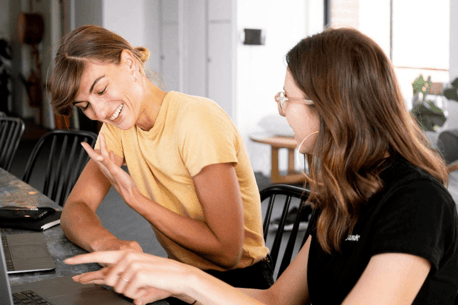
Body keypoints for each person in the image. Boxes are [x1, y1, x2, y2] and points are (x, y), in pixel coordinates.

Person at [65, 27, 458, 305]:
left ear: (331, 109)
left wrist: (182, 276)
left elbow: (229, 254)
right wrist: (170, 284)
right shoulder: (344, 194)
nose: (282, 111)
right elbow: (275, 300)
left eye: (287, 98)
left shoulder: (417, 201)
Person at [48, 25, 274, 303]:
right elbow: (75, 209)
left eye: (102, 90)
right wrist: (112, 245)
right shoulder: (117, 127)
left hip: (239, 286)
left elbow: (228, 253)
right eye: (85, 106)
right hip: (177, 278)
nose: (101, 111)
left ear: (130, 63)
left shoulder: (196, 120)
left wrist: (137, 200)